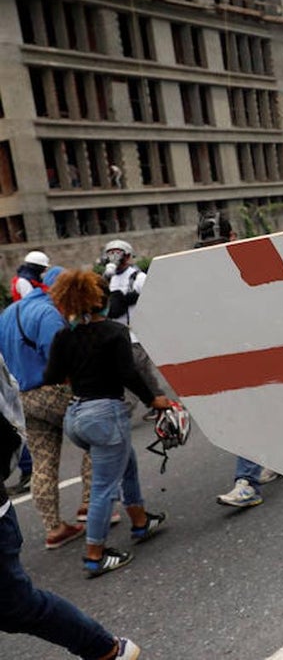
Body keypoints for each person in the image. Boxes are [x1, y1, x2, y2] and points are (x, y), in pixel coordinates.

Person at [43, 270, 170, 578]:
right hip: (105, 413)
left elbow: (53, 376)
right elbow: (128, 374)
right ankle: (94, 555)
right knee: (103, 487)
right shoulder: (114, 331)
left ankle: (140, 522)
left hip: (77, 415)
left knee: (125, 462)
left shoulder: (64, 335)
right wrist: (154, 399)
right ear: (100, 298)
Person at [0, 385, 142, 658]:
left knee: (16, 606)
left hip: (32, 399)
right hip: (63, 395)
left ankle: (106, 649)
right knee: (97, 449)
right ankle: (87, 515)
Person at [0, 266, 98, 551]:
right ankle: (90, 505)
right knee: (97, 438)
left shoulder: (8, 314)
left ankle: (53, 528)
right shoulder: (48, 314)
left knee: (43, 461)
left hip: (23, 398)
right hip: (52, 390)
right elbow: (61, 357)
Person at [192, 212, 282, 508]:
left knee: (251, 414)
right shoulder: (200, 270)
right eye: (207, 246)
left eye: (217, 243)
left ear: (232, 238)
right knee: (262, 410)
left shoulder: (253, 259)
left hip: (262, 349)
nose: (212, 251)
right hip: (233, 352)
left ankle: (247, 482)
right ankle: (273, 460)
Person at [101, 240, 172, 420]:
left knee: (134, 371)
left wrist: (137, 299)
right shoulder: (111, 279)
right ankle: (159, 402)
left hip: (135, 334)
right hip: (117, 334)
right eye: (110, 253)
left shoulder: (137, 278)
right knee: (141, 373)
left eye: (117, 253)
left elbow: (156, 299)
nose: (114, 258)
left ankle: (125, 413)